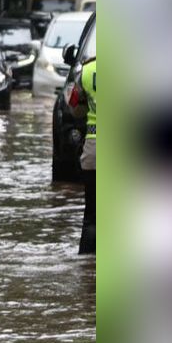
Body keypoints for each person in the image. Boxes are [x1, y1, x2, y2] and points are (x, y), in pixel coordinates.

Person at [71, 55, 96, 254]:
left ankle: (86, 268)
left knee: (91, 217)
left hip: (93, 155)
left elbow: (75, 109)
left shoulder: (86, 72)